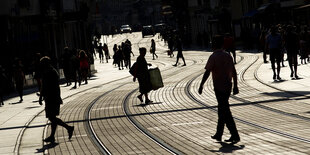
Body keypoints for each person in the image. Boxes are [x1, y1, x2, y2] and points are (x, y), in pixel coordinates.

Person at [198, 35, 240, 144]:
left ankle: (235, 134)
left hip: (218, 87)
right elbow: (234, 71)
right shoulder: (228, 56)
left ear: (215, 44)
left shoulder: (213, 57)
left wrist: (201, 84)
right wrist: (235, 86)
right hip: (228, 86)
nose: (211, 44)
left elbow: (207, 72)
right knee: (222, 110)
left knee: (225, 111)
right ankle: (219, 133)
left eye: (212, 43)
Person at [39, 56, 74, 143]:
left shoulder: (47, 72)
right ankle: (52, 136)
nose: (42, 66)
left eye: (42, 64)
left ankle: (68, 128)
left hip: (51, 98)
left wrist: (41, 97)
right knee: (52, 117)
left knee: (52, 117)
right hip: (54, 97)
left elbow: (44, 86)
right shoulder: (53, 71)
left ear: (45, 64)